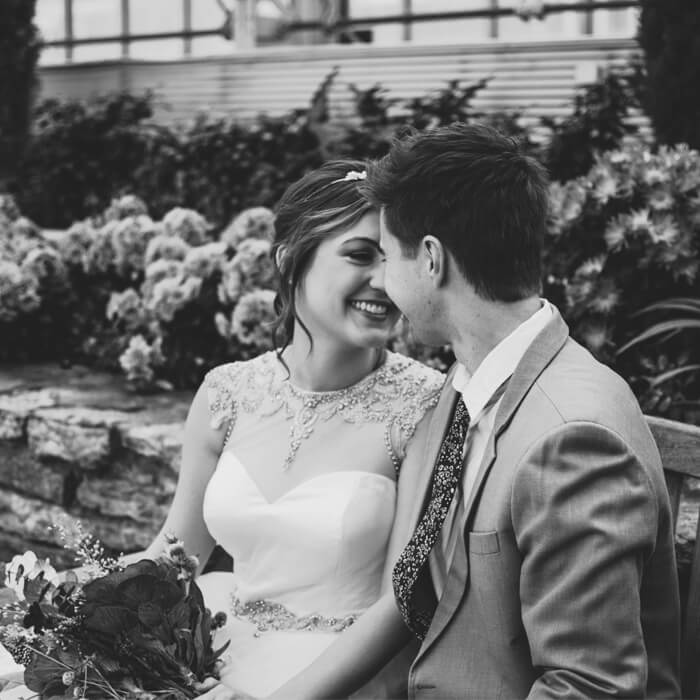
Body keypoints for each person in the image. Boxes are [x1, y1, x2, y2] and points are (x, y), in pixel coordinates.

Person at [252, 123, 682, 700]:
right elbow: (420, 585)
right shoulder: (468, 383)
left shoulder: (571, 439)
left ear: (431, 259)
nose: (382, 282)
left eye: (387, 256)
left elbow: (589, 686)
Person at [134, 159, 443, 699]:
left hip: (344, 680)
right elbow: (175, 557)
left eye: (395, 259)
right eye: (360, 255)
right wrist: (77, 611)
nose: (385, 282)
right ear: (289, 259)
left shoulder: (426, 406)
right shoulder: (226, 393)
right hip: (219, 659)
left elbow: (402, 604)